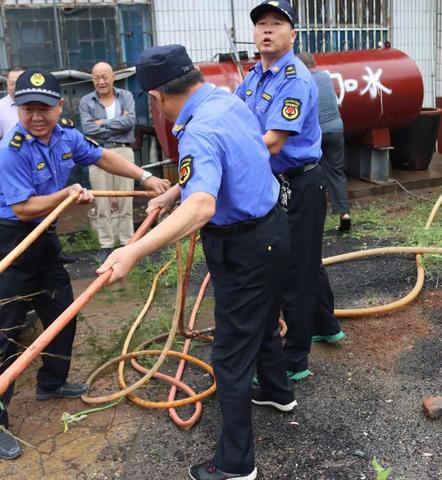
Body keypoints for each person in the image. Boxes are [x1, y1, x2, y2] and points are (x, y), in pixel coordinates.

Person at [97, 44, 295, 480]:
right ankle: (280, 393)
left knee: (229, 355)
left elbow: (202, 206)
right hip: (273, 230)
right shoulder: (226, 99)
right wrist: (175, 191)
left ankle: (235, 464)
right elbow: (240, 159)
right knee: (261, 322)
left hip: (243, 248)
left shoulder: (197, 130)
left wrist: (133, 248)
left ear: (154, 97)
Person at [0, 68, 169, 460]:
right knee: (6, 331)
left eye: (44, 108)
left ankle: (51, 382)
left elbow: (103, 155)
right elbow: (23, 207)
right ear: (18, 110)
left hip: (44, 239)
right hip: (12, 237)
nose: (36, 116)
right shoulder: (12, 148)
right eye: (28, 109)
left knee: (62, 310)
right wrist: (66, 193)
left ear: (60, 106)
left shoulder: (66, 136)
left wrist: (144, 176)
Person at [236, 0, 345, 382]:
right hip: (278, 182)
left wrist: (228, 160)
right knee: (306, 260)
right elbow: (235, 120)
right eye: (261, 23)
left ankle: (294, 359)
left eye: (276, 24)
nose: (267, 30)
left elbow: (273, 142)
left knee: (292, 271)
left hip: (299, 182)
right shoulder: (253, 77)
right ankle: (326, 324)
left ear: (292, 34)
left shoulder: (294, 79)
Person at [79, 62, 137, 263]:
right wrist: (118, 123)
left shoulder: (126, 96)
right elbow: (88, 129)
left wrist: (102, 123)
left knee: (126, 199)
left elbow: (130, 122)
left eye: (105, 76)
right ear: (92, 79)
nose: (101, 81)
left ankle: (127, 243)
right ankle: (106, 245)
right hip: (97, 152)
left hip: (123, 151)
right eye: (96, 78)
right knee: (101, 200)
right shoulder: (86, 101)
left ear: (113, 77)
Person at [297, 52, 351, 233]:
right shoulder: (326, 76)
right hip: (336, 129)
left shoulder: (301, 81)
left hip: (316, 134)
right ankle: (344, 213)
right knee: (336, 172)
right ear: (314, 63)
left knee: (308, 174)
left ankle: (311, 219)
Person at [0, 68, 24, 140]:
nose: (16, 87)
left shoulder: (38, 103)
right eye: (12, 83)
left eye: (20, 83)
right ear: (7, 84)